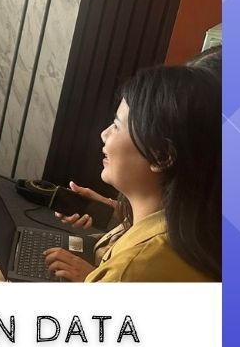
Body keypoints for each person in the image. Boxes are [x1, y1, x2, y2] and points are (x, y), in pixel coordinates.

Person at [45, 64, 221, 282]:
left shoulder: (129, 270)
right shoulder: (200, 224)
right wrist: (108, 207)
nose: (104, 134)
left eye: (117, 126)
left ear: (162, 156)